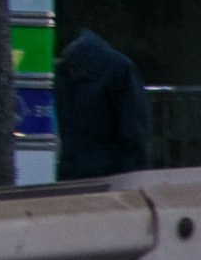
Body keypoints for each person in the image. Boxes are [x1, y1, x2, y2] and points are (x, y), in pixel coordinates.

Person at [50, 26, 150, 180]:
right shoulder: (117, 68)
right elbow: (135, 131)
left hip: (79, 172)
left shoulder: (64, 73)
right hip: (107, 173)